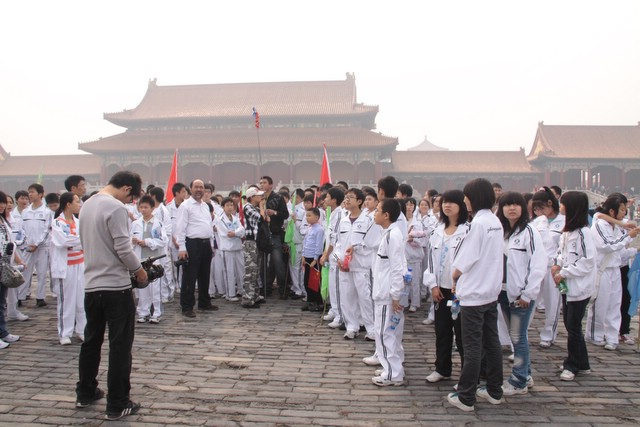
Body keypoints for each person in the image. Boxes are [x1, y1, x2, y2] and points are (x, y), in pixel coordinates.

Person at [76, 171, 147, 420]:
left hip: (91, 285)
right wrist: (139, 272)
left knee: (91, 341)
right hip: (116, 287)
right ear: (126, 188)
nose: (130, 202)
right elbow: (123, 249)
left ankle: (85, 392)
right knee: (120, 345)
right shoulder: (116, 208)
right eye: (131, 198)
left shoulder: (87, 205)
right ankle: (118, 403)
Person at [447, 178, 504, 412]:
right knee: (492, 343)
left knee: (472, 347)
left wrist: (454, 276)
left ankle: (466, 396)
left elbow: (465, 260)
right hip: (490, 291)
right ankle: (494, 390)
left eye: (466, 196)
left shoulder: (477, 224)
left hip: (473, 293)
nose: (464, 200)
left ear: (474, 198)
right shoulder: (495, 222)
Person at [496, 192, 547, 395]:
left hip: (520, 294)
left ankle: (518, 381)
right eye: (507, 205)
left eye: (516, 204)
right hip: (503, 291)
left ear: (523, 208)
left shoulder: (529, 231)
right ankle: (525, 374)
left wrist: (528, 294)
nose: (511, 208)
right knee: (515, 335)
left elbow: (538, 264)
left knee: (518, 337)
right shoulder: (500, 231)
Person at [423, 190, 469, 383]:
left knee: (462, 333)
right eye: (444, 202)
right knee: (442, 330)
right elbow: (431, 261)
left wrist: (460, 284)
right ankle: (442, 368)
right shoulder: (437, 231)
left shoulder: (468, 231)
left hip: (460, 290)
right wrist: (433, 285)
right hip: (440, 289)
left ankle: (467, 374)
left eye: (451, 202)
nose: (447, 206)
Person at [552, 191, 596, 381]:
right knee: (571, 325)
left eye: (563, 203)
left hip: (579, 286)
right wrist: (557, 264)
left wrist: (565, 272)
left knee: (573, 326)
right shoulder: (568, 231)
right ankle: (582, 363)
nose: (560, 206)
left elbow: (588, 261)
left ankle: (572, 365)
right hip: (567, 285)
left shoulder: (584, 233)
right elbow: (562, 252)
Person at [586, 195, 639, 350]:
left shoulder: (616, 227)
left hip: (615, 269)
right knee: (600, 304)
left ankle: (612, 336)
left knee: (614, 305)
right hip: (602, 270)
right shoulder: (599, 225)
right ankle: (595, 335)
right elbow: (607, 245)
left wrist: (635, 250)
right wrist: (627, 237)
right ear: (611, 211)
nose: (624, 213)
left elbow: (619, 252)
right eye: (622, 210)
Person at [371, 198, 407, 386]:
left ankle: (393, 373)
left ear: (386, 215)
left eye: (377, 210)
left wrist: (395, 294)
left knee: (384, 333)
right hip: (385, 291)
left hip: (386, 294)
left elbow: (397, 267)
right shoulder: (390, 233)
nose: (374, 214)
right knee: (390, 332)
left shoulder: (392, 236)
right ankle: (392, 367)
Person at [174, 180, 218, 317]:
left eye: (201, 187)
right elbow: (180, 228)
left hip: (206, 244)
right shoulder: (185, 206)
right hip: (192, 244)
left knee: (205, 275)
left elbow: (208, 226)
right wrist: (182, 247)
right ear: (191, 189)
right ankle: (187, 306)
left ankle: (204, 302)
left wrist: (211, 245)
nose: (199, 190)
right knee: (190, 276)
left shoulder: (205, 206)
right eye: (196, 187)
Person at [50, 192, 86, 345]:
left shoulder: (78, 222)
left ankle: (82, 330)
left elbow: (83, 240)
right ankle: (65, 332)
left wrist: (76, 241)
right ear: (68, 204)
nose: (79, 204)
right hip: (66, 267)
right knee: (66, 300)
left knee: (81, 299)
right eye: (77, 201)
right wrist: (78, 241)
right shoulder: (57, 223)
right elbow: (64, 241)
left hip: (80, 264)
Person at [532, 187, 565, 348]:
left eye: (541, 207)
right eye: (536, 209)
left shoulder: (564, 221)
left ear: (550, 203)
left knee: (553, 303)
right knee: (530, 300)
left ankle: (548, 334)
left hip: (554, 267)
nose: (539, 211)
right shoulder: (537, 222)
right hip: (537, 266)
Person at [131, 195, 167, 324]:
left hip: (153, 259)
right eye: (141, 207)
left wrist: (147, 242)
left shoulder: (157, 224)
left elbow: (163, 241)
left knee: (155, 287)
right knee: (142, 286)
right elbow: (129, 239)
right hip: (140, 259)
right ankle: (143, 312)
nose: (143, 210)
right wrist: (133, 241)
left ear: (152, 208)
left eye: (146, 207)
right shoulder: (135, 224)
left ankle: (156, 312)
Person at [19, 183, 52, 307]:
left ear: (40, 194)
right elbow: (21, 229)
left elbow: (47, 230)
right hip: (28, 247)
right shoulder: (25, 212)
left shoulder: (47, 212)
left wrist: (37, 243)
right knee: (24, 272)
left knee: (42, 273)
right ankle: (20, 297)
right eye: (29, 192)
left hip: (41, 247)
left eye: (32, 192)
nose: (30, 194)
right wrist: (25, 243)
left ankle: (40, 297)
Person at [0, 191, 25, 348]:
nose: (2, 205)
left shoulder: (4, 221)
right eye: (1, 202)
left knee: (2, 301)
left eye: (3, 202)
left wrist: (17, 259)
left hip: (4, 264)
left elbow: (11, 242)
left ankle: (3, 332)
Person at [319, 187, 346, 328]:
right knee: (332, 285)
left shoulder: (340, 214)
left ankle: (340, 315)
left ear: (334, 200)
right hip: (330, 255)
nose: (325, 200)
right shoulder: (332, 213)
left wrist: (325, 254)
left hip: (335, 255)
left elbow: (334, 239)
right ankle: (334, 310)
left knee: (337, 287)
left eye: (327, 197)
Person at [259, 176, 290, 297]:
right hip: (262, 235)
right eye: (260, 183)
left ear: (271, 185)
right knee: (263, 264)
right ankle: (266, 287)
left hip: (274, 234)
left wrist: (274, 212)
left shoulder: (278, 198)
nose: (262, 185)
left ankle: (283, 289)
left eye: (264, 182)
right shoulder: (258, 198)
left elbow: (285, 214)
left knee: (278, 262)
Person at [216, 197, 246, 302]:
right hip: (227, 249)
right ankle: (230, 294)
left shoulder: (236, 218)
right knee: (229, 271)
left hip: (238, 247)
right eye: (227, 205)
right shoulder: (220, 220)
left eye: (231, 205)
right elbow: (227, 233)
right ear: (223, 207)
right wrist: (237, 233)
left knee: (241, 271)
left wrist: (236, 233)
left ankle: (242, 291)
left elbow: (242, 230)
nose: (230, 207)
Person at [241, 187, 266, 308]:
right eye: (259, 196)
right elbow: (261, 218)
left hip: (257, 242)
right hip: (250, 242)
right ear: (252, 197)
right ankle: (247, 298)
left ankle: (255, 295)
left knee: (256, 270)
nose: (261, 197)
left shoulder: (254, 207)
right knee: (250, 271)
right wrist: (262, 207)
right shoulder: (247, 207)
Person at [301, 207, 324, 311]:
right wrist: (303, 255)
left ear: (317, 217)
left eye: (309, 215)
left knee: (314, 282)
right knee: (307, 281)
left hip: (314, 259)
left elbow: (319, 245)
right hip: (307, 257)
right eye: (306, 215)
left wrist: (315, 259)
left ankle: (318, 303)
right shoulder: (309, 228)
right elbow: (305, 242)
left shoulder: (319, 229)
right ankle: (310, 301)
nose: (307, 217)